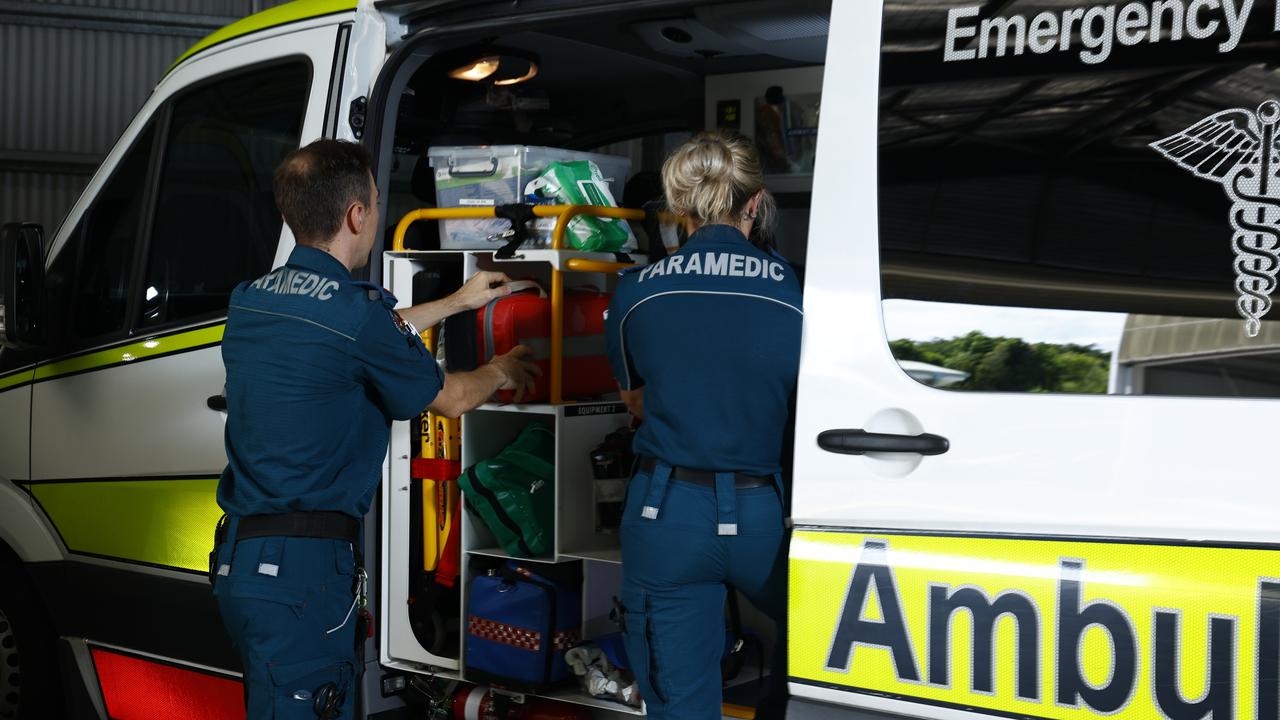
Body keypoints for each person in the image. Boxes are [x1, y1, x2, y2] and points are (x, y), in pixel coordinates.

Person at [209, 139, 537, 719]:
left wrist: (455, 303)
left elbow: (350, 339)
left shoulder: (250, 302)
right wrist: (502, 368)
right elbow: (454, 400)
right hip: (304, 573)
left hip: (241, 561)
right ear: (356, 214)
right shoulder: (356, 315)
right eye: (378, 201)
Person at [604, 131, 803, 719]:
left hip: (667, 514)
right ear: (757, 203)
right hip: (767, 510)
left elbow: (634, 401)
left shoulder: (635, 293)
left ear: (678, 209)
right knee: (821, 658)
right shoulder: (801, 293)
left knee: (679, 704)